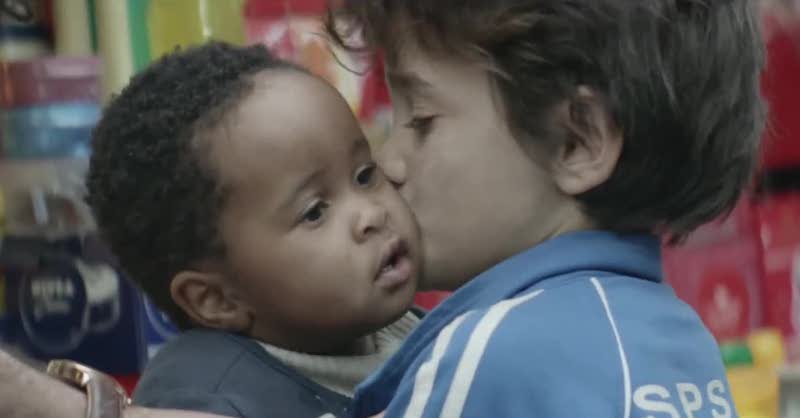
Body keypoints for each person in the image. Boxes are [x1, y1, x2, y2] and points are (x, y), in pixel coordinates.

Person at [0, 0, 766, 417]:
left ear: (577, 139)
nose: (392, 168)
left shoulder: (487, 351)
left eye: (421, 120)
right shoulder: (683, 341)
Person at [87, 42, 421, 418]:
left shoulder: (406, 330)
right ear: (217, 299)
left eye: (364, 175)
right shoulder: (205, 398)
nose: (372, 214)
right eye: (314, 213)